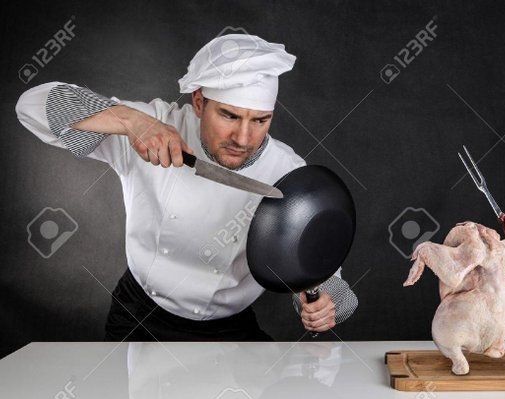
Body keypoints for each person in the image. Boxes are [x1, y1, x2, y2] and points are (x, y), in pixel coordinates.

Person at [16, 33, 358, 342]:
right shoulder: (151, 129)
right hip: (139, 315)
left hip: (228, 328)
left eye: (260, 121)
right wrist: (129, 120)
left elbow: (326, 276)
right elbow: (31, 107)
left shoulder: (290, 174)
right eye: (229, 116)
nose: (243, 138)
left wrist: (328, 305)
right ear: (199, 102)